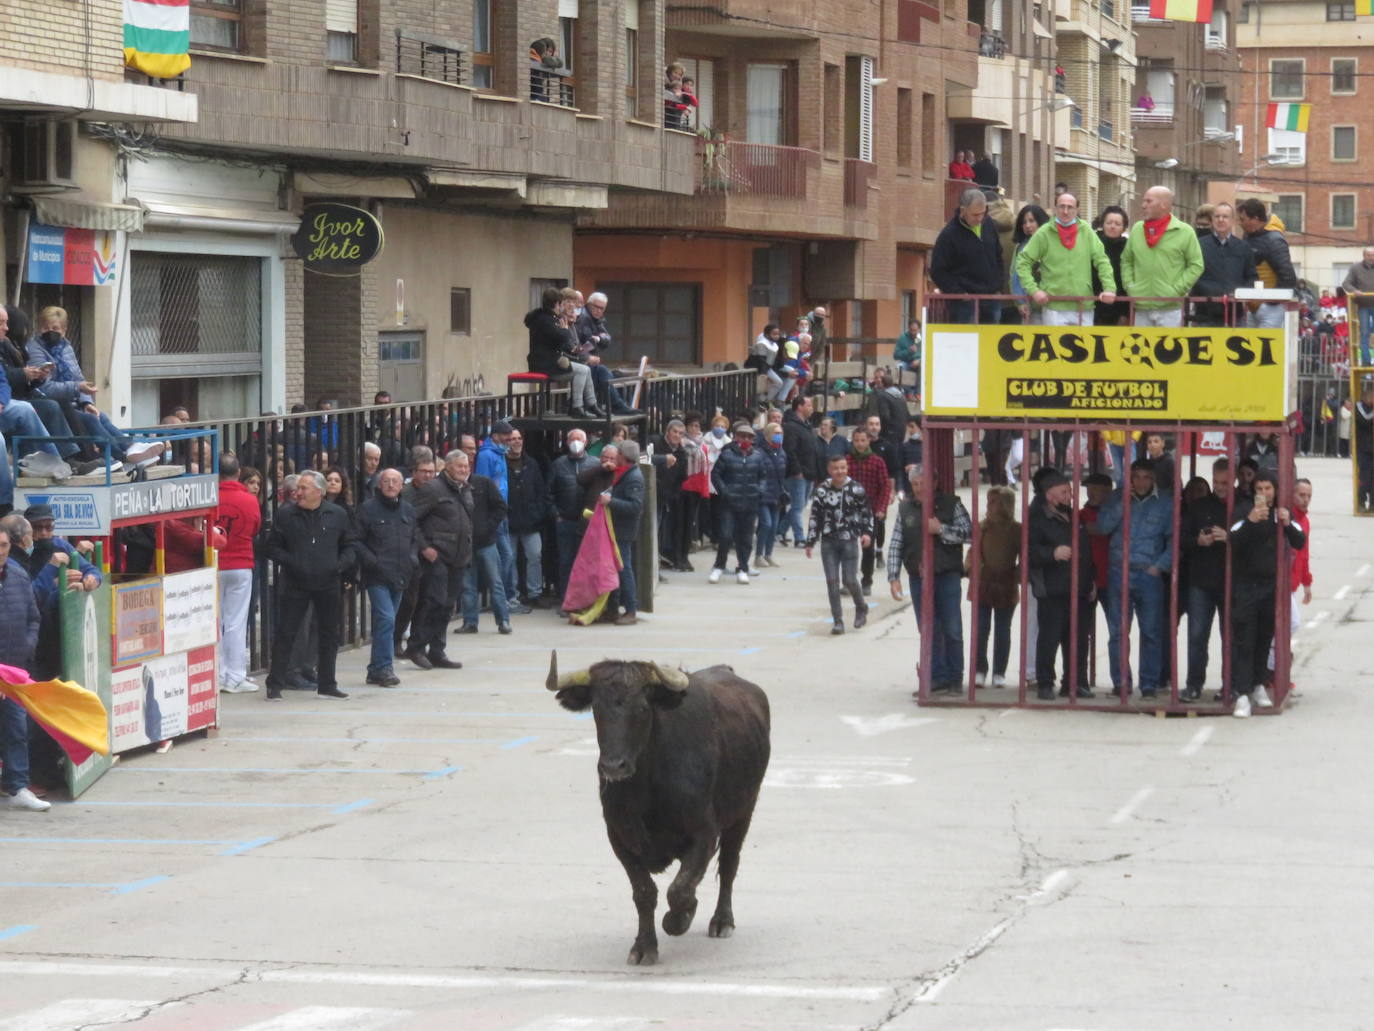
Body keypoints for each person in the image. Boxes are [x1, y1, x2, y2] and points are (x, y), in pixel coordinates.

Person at [26, 306, 165, 468]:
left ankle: (131, 448)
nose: (50, 331)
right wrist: (78, 388)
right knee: (90, 420)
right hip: (58, 408)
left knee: (101, 416)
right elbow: (46, 387)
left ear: (64, 330)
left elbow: (78, 377)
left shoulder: (66, 348)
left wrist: (87, 402)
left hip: (74, 403)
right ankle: (124, 456)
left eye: (55, 328)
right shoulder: (35, 349)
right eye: (45, 327)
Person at [264, 470, 355, 701]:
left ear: (319, 491)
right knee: (287, 632)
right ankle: (275, 683)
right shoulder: (286, 515)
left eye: (304, 488)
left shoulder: (337, 514)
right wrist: (293, 561)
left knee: (329, 634)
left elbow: (350, 545)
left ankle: (327, 683)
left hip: (328, 582)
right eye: (298, 488)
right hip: (296, 582)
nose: (299, 492)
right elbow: (272, 546)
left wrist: (339, 565)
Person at [887, 463, 972, 694]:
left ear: (934, 483)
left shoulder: (951, 504)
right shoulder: (906, 509)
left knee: (952, 629)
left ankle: (955, 678)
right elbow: (896, 543)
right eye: (915, 484)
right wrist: (893, 576)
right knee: (928, 629)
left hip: (947, 576)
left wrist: (941, 529)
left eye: (923, 483)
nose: (918, 488)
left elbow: (970, 534)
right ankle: (936, 676)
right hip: (919, 578)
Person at [1092, 459, 1173, 699]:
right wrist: (1123, 503)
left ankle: (1148, 684)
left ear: (1154, 478)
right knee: (1118, 632)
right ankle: (1121, 683)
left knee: (1150, 631)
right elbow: (1103, 527)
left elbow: (1173, 539)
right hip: (1120, 571)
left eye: (1146, 477)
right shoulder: (1117, 498)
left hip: (1148, 573)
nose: (1140, 482)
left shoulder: (1165, 503)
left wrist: (1159, 567)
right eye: (1136, 477)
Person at [1228, 473, 1304, 717]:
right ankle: (1242, 693)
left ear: (1275, 489)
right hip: (1245, 587)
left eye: (1268, 488)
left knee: (1264, 639)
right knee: (1244, 640)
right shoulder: (1243, 510)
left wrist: (1287, 521)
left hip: (1271, 587)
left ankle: (1260, 685)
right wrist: (1250, 520)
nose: (1264, 492)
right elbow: (1233, 537)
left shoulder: (1281, 513)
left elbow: (1300, 540)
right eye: (1260, 488)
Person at [1028, 472, 1095, 700]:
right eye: (1064, 492)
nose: (1070, 496)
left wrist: (1091, 580)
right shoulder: (1037, 520)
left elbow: (1086, 551)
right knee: (1050, 638)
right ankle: (1045, 683)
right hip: (1053, 589)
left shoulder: (1074, 517)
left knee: (1078, 638)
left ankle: (1075, 682)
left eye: (1070, 491)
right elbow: (1028, 553)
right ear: (1050, 496)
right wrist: (1052, 553)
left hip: (1080, 588)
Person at [354, 468, 420, 685]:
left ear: (402, 485)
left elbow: (414, 538)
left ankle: (374, 669)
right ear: (380, 485)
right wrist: (372, 562)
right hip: (377, 575)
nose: (391, 485)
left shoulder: (408, 510)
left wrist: (412, 559)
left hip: (400, 573)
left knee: (388, 621)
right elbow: (357, 540)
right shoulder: (367, 509)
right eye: (387, 481)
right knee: (386, 619)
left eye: (395, 481)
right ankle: (384, 667)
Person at [1014, 192, 1117, 326]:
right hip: (1053, 306)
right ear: (1055, 208)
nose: (1065, 211)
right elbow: (1022, 262)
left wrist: (1109, 288)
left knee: (1084, 346)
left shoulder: (1086, 230)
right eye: (1061, 207)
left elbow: (1102, 260)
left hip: (1083, 305)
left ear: (1077, 210)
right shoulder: (1044, 233)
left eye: (1070, 207)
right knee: (1053, 347)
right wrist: (1034, 290)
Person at [0, 525, 46, 811]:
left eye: (3, 545)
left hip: (13, 672)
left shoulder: (17, 575)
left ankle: (18, 787)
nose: (0, 551)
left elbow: (33, 618)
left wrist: (26, 649)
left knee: (17, 729)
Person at [1180, 459, 1231, 701]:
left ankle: (1229, 684)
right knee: (1197, 635)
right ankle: (1193, 684)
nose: (1220, 486)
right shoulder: (1199, 507)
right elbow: (1181, 538)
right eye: (1217, 482)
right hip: (1200, 580)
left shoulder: (1241, 506)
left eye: (1225, 482)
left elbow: (1254, 539)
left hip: (1230, 582)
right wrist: (1197, 541)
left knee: (1229, 636)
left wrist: (1230, 538)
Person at [806, 453, 872, 634]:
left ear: (847, 468)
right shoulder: (822, 490)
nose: (839, 472)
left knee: (849, 579)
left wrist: (867, 533)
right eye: (835, 468)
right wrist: (810, 541)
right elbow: (815, 516)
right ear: (829, 470)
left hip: (849, 539)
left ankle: (861, 606)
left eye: (842, 468)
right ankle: (838, 621)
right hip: (828, 542)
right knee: (832, 581)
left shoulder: (856, 489)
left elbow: (866, 512)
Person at [1121, 187, 1204, 328]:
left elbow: (1196, 265)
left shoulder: (1185, 231)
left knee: (1169, 350)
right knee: (1141, 349)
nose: (1143, 205)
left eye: (1148, 201)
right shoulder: (1137, 229)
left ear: (1163, 205)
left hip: (1170, 309)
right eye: (1144, 201)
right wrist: (1130, 286)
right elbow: (1126, 261)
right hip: (1141, 307)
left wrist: (1176, 290)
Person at [214, 452, 263, 694]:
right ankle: (235, 675)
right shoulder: (249, 500)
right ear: (238, 472)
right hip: (240, 563)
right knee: (236, 622)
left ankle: (218, 672)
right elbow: (254, 527)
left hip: (213, 563)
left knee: (216, 620)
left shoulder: (210, 497)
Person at [454, 448, 511, 635]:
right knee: (467, 585)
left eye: (465, 465)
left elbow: (500, 507)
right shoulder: (449, 487)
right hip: (463, 545)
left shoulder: (483, 483)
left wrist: (488, 527)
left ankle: (503, 620)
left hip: (486, 542)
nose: (462, 470)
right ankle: (470, 622)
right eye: (458, 466)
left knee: (495, 582)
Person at [969, 486, 1020, 689]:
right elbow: (973, 553)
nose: (992, 507)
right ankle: (980, 669)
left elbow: (1024, 556)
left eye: (997, 502)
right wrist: (976, 569)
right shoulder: (982, 527)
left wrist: (1015, 575)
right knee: (981, 629)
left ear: (1007, 505)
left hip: (1006, 585)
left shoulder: (1016, 529)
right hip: (984, 583)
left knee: (1002, 630)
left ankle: (999, 671)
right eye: (990, 502)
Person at [930, 188, 1005, 325]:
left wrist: (998, 286)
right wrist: (959, 293)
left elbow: (998, 256)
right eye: (975, 215)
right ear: (963, 211)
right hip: (964, 304)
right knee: (965, 344)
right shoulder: (948, 235)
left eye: (983, 213)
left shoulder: (989, 225)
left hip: (992, 298)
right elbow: (937, 271)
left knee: (990, 344)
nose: (980, 219)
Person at [525, 287, 601, 419]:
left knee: (586, 369)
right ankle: (576, 406)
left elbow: (557, 341)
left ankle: (592, 404)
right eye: (562, 304)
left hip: (549, 360)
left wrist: (573, 347)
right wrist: (565, 330)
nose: (562, 307)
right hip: (544, 363)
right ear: (556, 304)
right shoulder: (545, 320)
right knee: (582, 370)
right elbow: (559, 336)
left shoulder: (547, 317)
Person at [708, 421, 766, 584]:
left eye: (749, 436)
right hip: (730, 503)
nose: (745, 439)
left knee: (746, 538)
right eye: (742, 436)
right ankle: (719, 566)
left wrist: (759, 490)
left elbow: (763, 476)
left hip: (750, 503)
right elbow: (716, 475)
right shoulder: (726, 455)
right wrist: (725, 491)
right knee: (725, 536)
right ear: (735, 438)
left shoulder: (757, 456)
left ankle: (743, 567)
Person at [394, 447, 436, 656]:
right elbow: (410, 524)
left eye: (431, 471)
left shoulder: (437, 490)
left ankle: (417, 642)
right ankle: (396, 638)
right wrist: (423, 546)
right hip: (411, 553)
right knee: (408, 601)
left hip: (434, 552)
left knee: (426, 600)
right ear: (414, 472)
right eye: (424, 471)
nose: (428, 475)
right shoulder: (407, 494)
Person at [1192, 201, 1257, 328]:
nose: (1220, 220)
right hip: (1205, 315)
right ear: (1212, 220)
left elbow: (1252, 277)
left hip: (1235, 316)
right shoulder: (1198, 245)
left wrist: (1240, 292)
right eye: (1217, 216)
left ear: (1233, 221)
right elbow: (1192, 274)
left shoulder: (1243, 247)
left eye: (1225, 216)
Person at [1236, 198, 1298, 331]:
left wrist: (1269, 301)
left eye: (1243, 219)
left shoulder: (1274, 240)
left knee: (1265, 349)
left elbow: (1288, 277)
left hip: (1269, 309)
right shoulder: (1250, 236)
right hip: (1253, 306)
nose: (1240, 223)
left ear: (1255, 219)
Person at [505, 428, 549, 607]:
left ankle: (534, 592)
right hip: (509, 520)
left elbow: (540, 489)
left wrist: (538, 512)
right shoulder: (501, 463)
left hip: (531, 520)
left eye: (519, 438)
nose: (516, 442)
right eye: (512, 439)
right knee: (510, 558)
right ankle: (512, 594)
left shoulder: (531, 463)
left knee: (535, 555)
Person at [847, 427, 892, 597]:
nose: (859, 444)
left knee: (868, 548)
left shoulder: (877, 462)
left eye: (862, 440)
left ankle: (867, 581)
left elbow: (885, 486)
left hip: (870, 512)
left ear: (868, 441)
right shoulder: (847, 461)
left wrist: (881, 508)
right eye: (856, 440)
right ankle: (849, 579)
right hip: (850, 512)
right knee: (848, 548)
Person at [781, 396, 823, 547]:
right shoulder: (791, 427)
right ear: (799, 407)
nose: (812, 408)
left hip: (809, 472)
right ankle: (799, 538)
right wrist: (797, 470)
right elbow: (790, 451)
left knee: (800, 505)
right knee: (798, 506)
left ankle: (779, 531)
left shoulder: (807, 426)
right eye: (809, 405)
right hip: (798, 474)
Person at [1009, 204, 1051, 324]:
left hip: (1053, 305)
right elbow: (1015, 276)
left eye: (1031, 221)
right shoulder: (1020, 247)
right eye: (1024, 222)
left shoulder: (1052, 243)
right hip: (1030, 307)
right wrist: (1020, 302)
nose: (1028, 225)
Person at [1093, 206, 1131, 326]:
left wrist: (1126, 313)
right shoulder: (1093, 243)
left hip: (1120, 304)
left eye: (1117, 224)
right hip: (1094, 304)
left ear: (1124, 228)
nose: (1112, 226)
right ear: (1102, 224)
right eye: (1109, 222)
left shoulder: (1128, 247)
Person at [756, 421, 787, 569]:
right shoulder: (759, 452)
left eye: (780, 433)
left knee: (774, 526)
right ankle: (758, 555)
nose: (779, 436)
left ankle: (768, 554)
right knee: (766, 524)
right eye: (776, 433)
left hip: (776, 494)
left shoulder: (782, 452)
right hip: (763, 495)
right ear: (768, 435)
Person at [1340, 246, 1374, 365]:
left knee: (1370, 330)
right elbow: (1346, 283)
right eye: (1369, 255)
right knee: (1364, 332)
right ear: (1364, 256)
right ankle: (1366, 360)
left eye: (1373, 255)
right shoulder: (1356, 268)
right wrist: (1354, 290)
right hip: (1363, 305)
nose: (1371, 258)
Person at [1357, 383, 1374, 509]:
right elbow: (1366, 419)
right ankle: (1361, 501)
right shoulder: (1359, 407)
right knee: (1364, 477)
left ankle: (1372, 503)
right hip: (1364, 448)